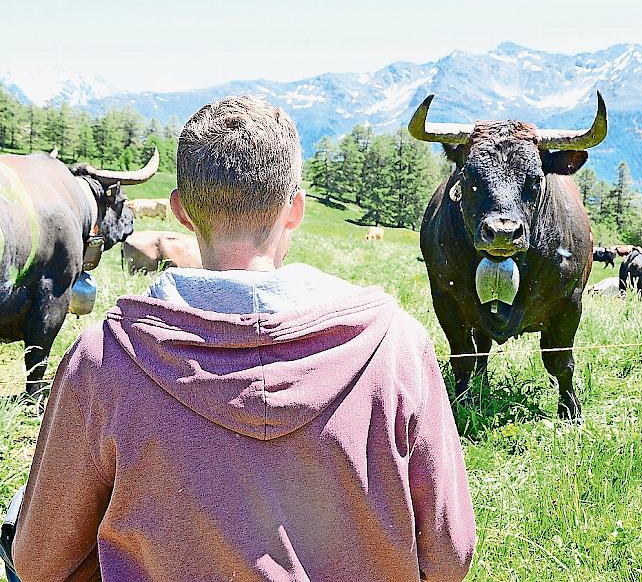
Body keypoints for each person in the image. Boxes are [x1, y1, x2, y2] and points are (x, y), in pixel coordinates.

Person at [11, 96, 475, 581]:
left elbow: (39, 563)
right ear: (295, 209)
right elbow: (450, 556)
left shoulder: (104, 359)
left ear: (182, 213)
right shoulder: (398, 346)